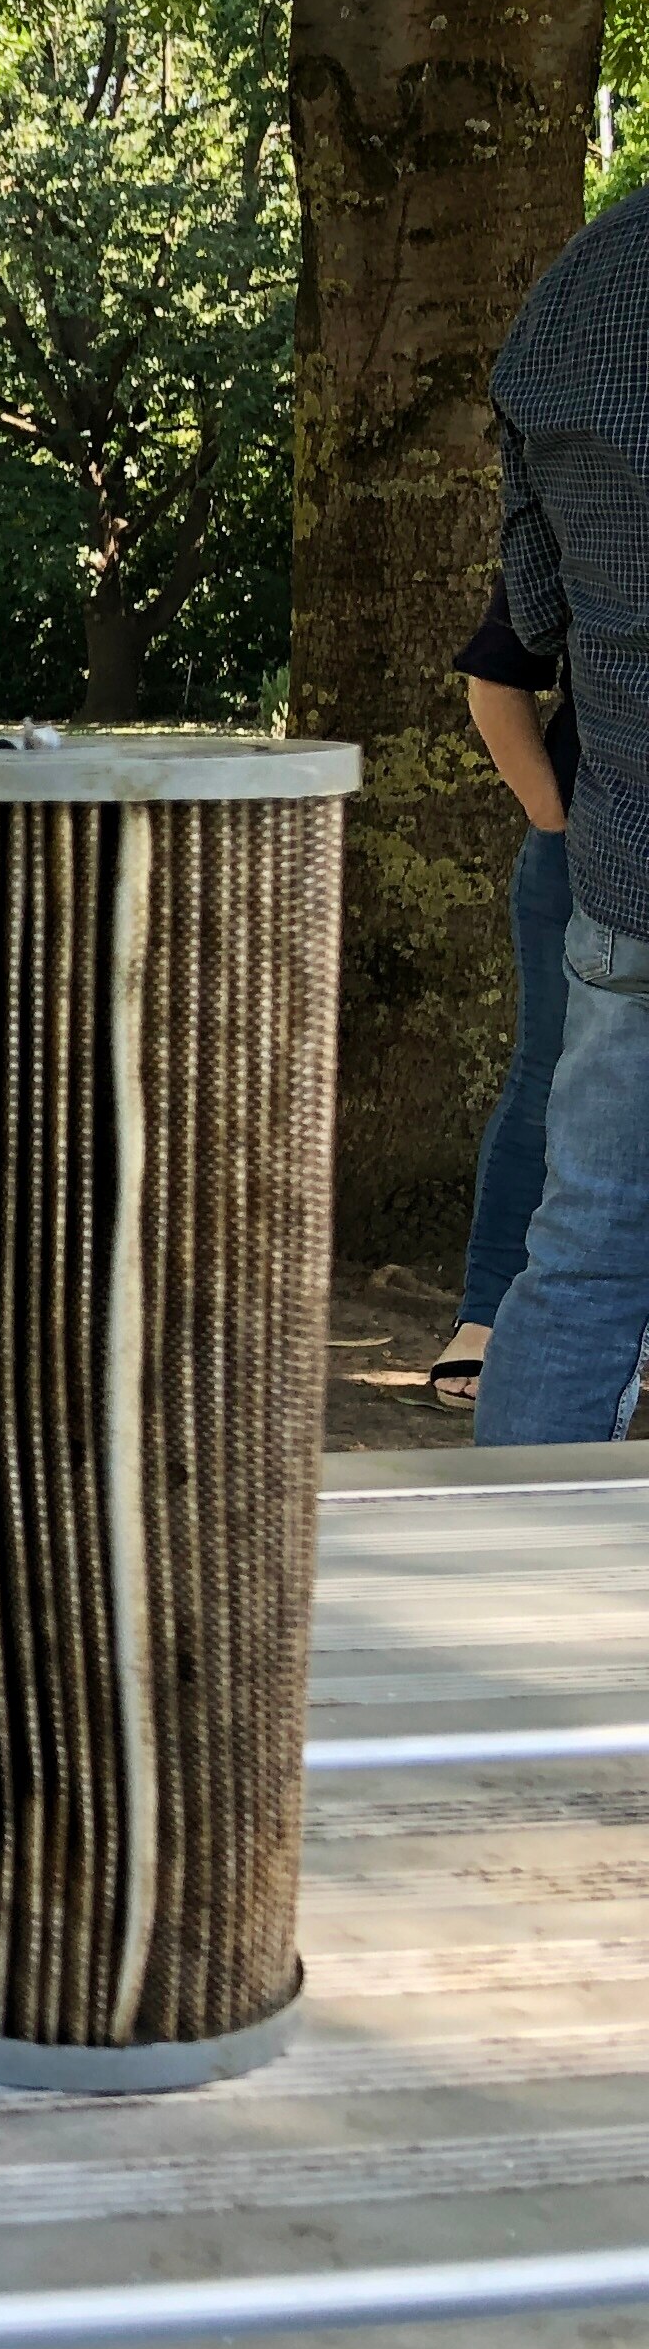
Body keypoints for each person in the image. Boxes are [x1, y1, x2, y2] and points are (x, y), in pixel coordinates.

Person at [474, 185, 649, 1448]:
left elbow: (532, 621)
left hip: (632, 864)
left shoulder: (570, 297)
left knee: (582, 1252)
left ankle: (496, 1605)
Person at [435, 580, 576, 1407]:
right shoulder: (589, 477)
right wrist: (554, 819)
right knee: (549, 1074)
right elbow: (497, 677)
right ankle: (487, 1316)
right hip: (590, 846)